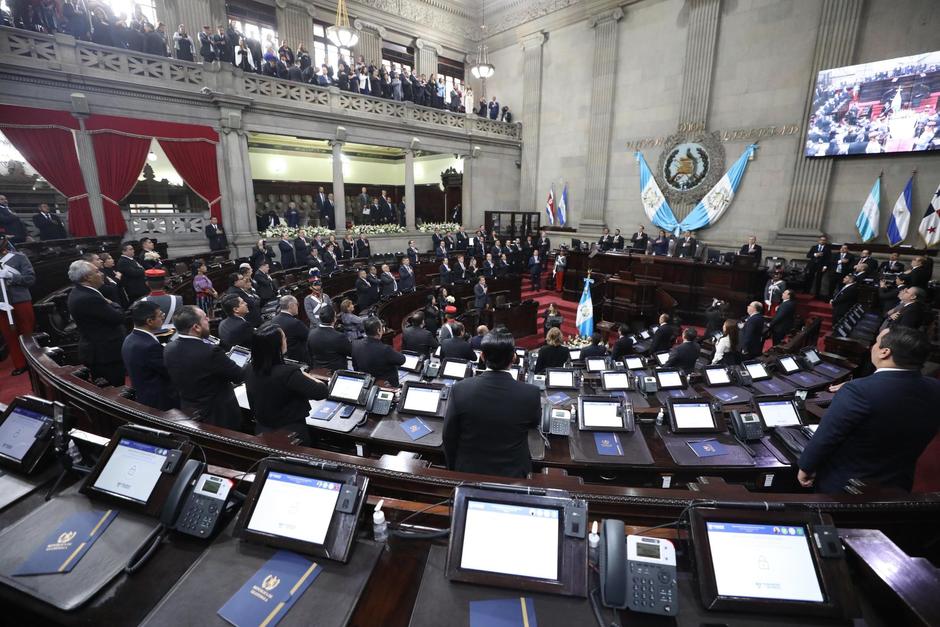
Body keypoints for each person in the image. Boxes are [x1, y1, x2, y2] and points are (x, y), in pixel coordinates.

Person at [798, 327, 940, 493]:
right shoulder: (935, 388)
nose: (873, 346)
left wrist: (806, 467)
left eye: (877, 342)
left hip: (848, 487)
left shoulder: (858, 391)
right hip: (898, 484)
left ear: (884, 352)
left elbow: (828, 437)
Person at [443, 327, 541, 478]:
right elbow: (534, 424)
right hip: (513, 475)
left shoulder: (459, 389)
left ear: (482, 357)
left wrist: (453, 469)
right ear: (513, 358)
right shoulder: (531, 393)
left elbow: (449, 436)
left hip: (467, 472)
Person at [243, 323, 327, 444]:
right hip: (292, 434)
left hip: (262, 430)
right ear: (276, 345)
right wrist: (304, 374)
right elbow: (321, 392)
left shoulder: (249, 368)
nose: (286, 340)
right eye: (283, 338)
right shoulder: (288, 373)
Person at [165, 306, 244, 430]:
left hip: (189, 411)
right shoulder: (210, 352)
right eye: (205, 318)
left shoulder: (169, 348)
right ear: (196, 327)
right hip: (218, 416)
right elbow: (239, 375)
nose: (208, 319)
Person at [67, 260, 126, 386]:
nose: (102, 274)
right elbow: (118, 317)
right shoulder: (89, 297)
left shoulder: (81, 291)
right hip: (104, 354)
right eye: (97, 271)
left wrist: (109, 304)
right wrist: (113, 304)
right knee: (114, 391)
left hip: (100, 350)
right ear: (87, 277)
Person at [122, 300, 178, 410]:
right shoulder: (149, 346)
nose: (163, 317)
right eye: (160, 315)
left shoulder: (129, 338)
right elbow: (169, 371)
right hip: (161, 402)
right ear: (150, 321)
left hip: (143, 394)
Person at [0, 234, 36, 375]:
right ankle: (20, 363)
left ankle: (34, 362)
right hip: (2, 304)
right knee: (10, 335)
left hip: (20, 300)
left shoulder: (19, 257)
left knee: (27, 332)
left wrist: (12, 276)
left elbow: (30, 279)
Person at [351, 317, 406, 386]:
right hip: (385, 386)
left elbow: (355, 367)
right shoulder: (385, 349)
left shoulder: (355, 344)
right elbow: (402, 360)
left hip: (366, 384)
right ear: (378, 331)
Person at [306, 305, 351, 373]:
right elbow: (350, 352)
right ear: (334, 319)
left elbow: (309, 353)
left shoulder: (311, 333)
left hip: (318, 371)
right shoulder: (339, 336)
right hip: (336, 373)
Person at [270, 295, 309, 362]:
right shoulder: (295, 323)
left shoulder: (274, 319)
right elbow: (309, 337)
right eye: (297, 304)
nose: (298, 307)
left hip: (284, 358)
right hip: (299, 359)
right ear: (291, 305)